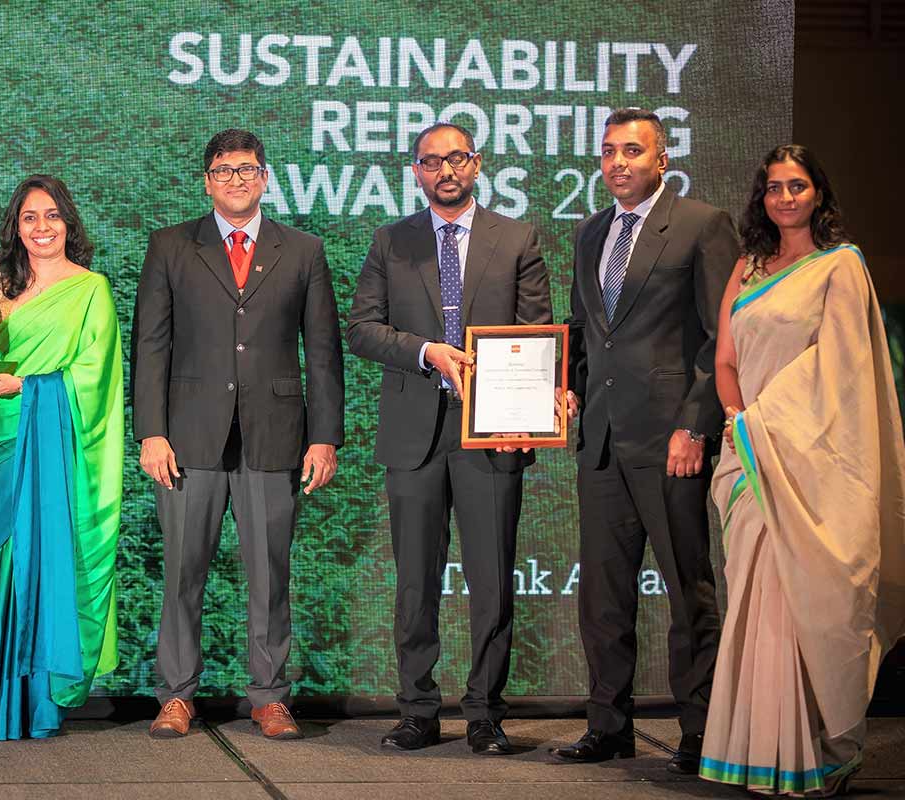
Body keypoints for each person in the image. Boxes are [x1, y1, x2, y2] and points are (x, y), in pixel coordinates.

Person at [700, 145, 905, 795]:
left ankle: (819, 749)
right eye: (774, 188)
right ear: (761, 198)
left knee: (809, 603)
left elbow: (841, 371)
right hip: (749, 456)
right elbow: (726, 360)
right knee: (753, 604)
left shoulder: (840, 267)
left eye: (798, 185)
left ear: (819, 193)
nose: (785, 197)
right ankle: (753, 750)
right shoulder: (750, 266)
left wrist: (771, 425)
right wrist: (738, 420)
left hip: (809, 460)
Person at [346, 123, 552, 755]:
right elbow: (361, 330)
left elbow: (537, 335)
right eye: (431, 161)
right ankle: (418, 711)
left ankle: (486, 715)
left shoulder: (517, 238)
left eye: (455, 158)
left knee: (491, 578)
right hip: (414, 435)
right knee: (415, 580)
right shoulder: (391, 241)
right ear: (416, 172)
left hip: (491, 433)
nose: (445, 170)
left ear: (477, 164)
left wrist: (524, 413)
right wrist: (426, 352)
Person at [132, 128, 344, 740]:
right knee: (181, 574)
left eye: (247, 169)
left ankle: (270, 696)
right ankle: (175, 696)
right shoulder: (171, 246)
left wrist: (324, 436)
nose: (235, 179)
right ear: (206, 181)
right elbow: (152, 347)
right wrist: (152, 432)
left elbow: (323, 353)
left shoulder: (302, 250)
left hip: (275, 437)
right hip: (187, 438)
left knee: (271, 573)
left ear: (266, 177)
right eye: (223, 170)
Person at [552, 108, 735, 771]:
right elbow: (580, 327)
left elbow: (723, 336)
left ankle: (701, 731)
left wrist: (696, 422)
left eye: (633, 150)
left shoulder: (702, 225)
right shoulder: (591, 230)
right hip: (600, 440)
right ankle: (608, 727)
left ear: (663, 160)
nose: (618, 162)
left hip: (672, 440)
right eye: (608, 152)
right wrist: (566, 385)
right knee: (603, 596)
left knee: (690, 592)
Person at [0, 174, 124, 740]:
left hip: (52, 442)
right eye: (29, 218)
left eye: (52, 216)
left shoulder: (92, 289)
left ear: (69, 222)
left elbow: (96, 378)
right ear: (15, 229)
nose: (42, 227)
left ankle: (35, 701)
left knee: (38, 559)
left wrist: (28, 386)